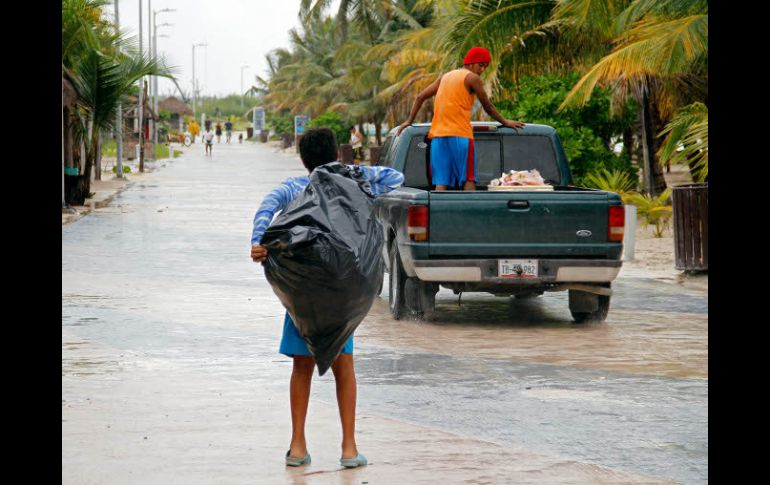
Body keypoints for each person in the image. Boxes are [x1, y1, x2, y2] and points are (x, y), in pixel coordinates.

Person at [250, 127, 404, 469]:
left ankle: (297, 446)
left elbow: (268, 206)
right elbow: (395, 177)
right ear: (336, 153)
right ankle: (349, 449)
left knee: (301, 366)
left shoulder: (295, 187)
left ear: (303, 159)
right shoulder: (353, 181)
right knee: (344, 367)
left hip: (303, 295)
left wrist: (258, 240)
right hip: (340, 295)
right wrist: (354, 172)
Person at [396, 46, 526, 191]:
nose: (482, 70)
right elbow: (487, 106)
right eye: (481, 65)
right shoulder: (472, 78)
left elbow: (420, 97)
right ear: (470, 63)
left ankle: (442, 213)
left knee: (441, 183)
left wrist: (409, 121)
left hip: (438, 138)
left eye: (486, 66)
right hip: (460, 136)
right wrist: (506, 122)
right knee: (468, 179)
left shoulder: (445, 77)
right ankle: (471, 213)